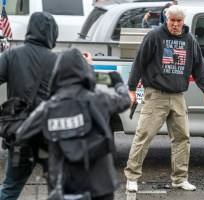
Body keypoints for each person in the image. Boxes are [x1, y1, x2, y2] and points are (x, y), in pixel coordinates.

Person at [16, 48, 131, 200]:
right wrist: (117, 82)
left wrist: (46, 148)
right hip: (100, 185)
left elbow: (22, 135)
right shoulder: (97, 100)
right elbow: (125, 101)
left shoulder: (48, 108)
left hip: (65, 185)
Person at [124, 5, 204, 192]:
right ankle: (132, 177)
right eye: (171, 20)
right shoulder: (154, 36)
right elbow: (139, 62)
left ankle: (180, 179)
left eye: (178, 21)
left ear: (183, 21)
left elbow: (199, 66)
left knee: (182, 138)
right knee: (144, 136)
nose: (175, 24)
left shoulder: (189, 40)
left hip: (178, 96)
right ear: (166, 20)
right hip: (155, 95)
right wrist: (131, 88)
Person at [0, 12, 59, 200]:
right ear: (52, 33)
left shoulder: (11, 55)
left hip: (21, 137)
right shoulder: (58, 61)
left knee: (10, 188)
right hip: (49, 138)